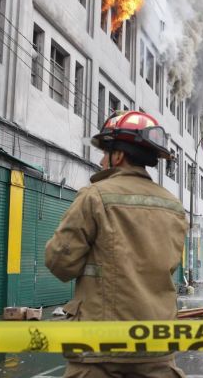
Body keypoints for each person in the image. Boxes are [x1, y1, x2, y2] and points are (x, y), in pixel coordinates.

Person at [45, 111, 188, 378]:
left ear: (118, 156)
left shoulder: (94, 196)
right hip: (156, 346)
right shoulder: (174, 207)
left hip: (100, 349)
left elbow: (60, 264)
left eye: (105, 152)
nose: (101, 160)